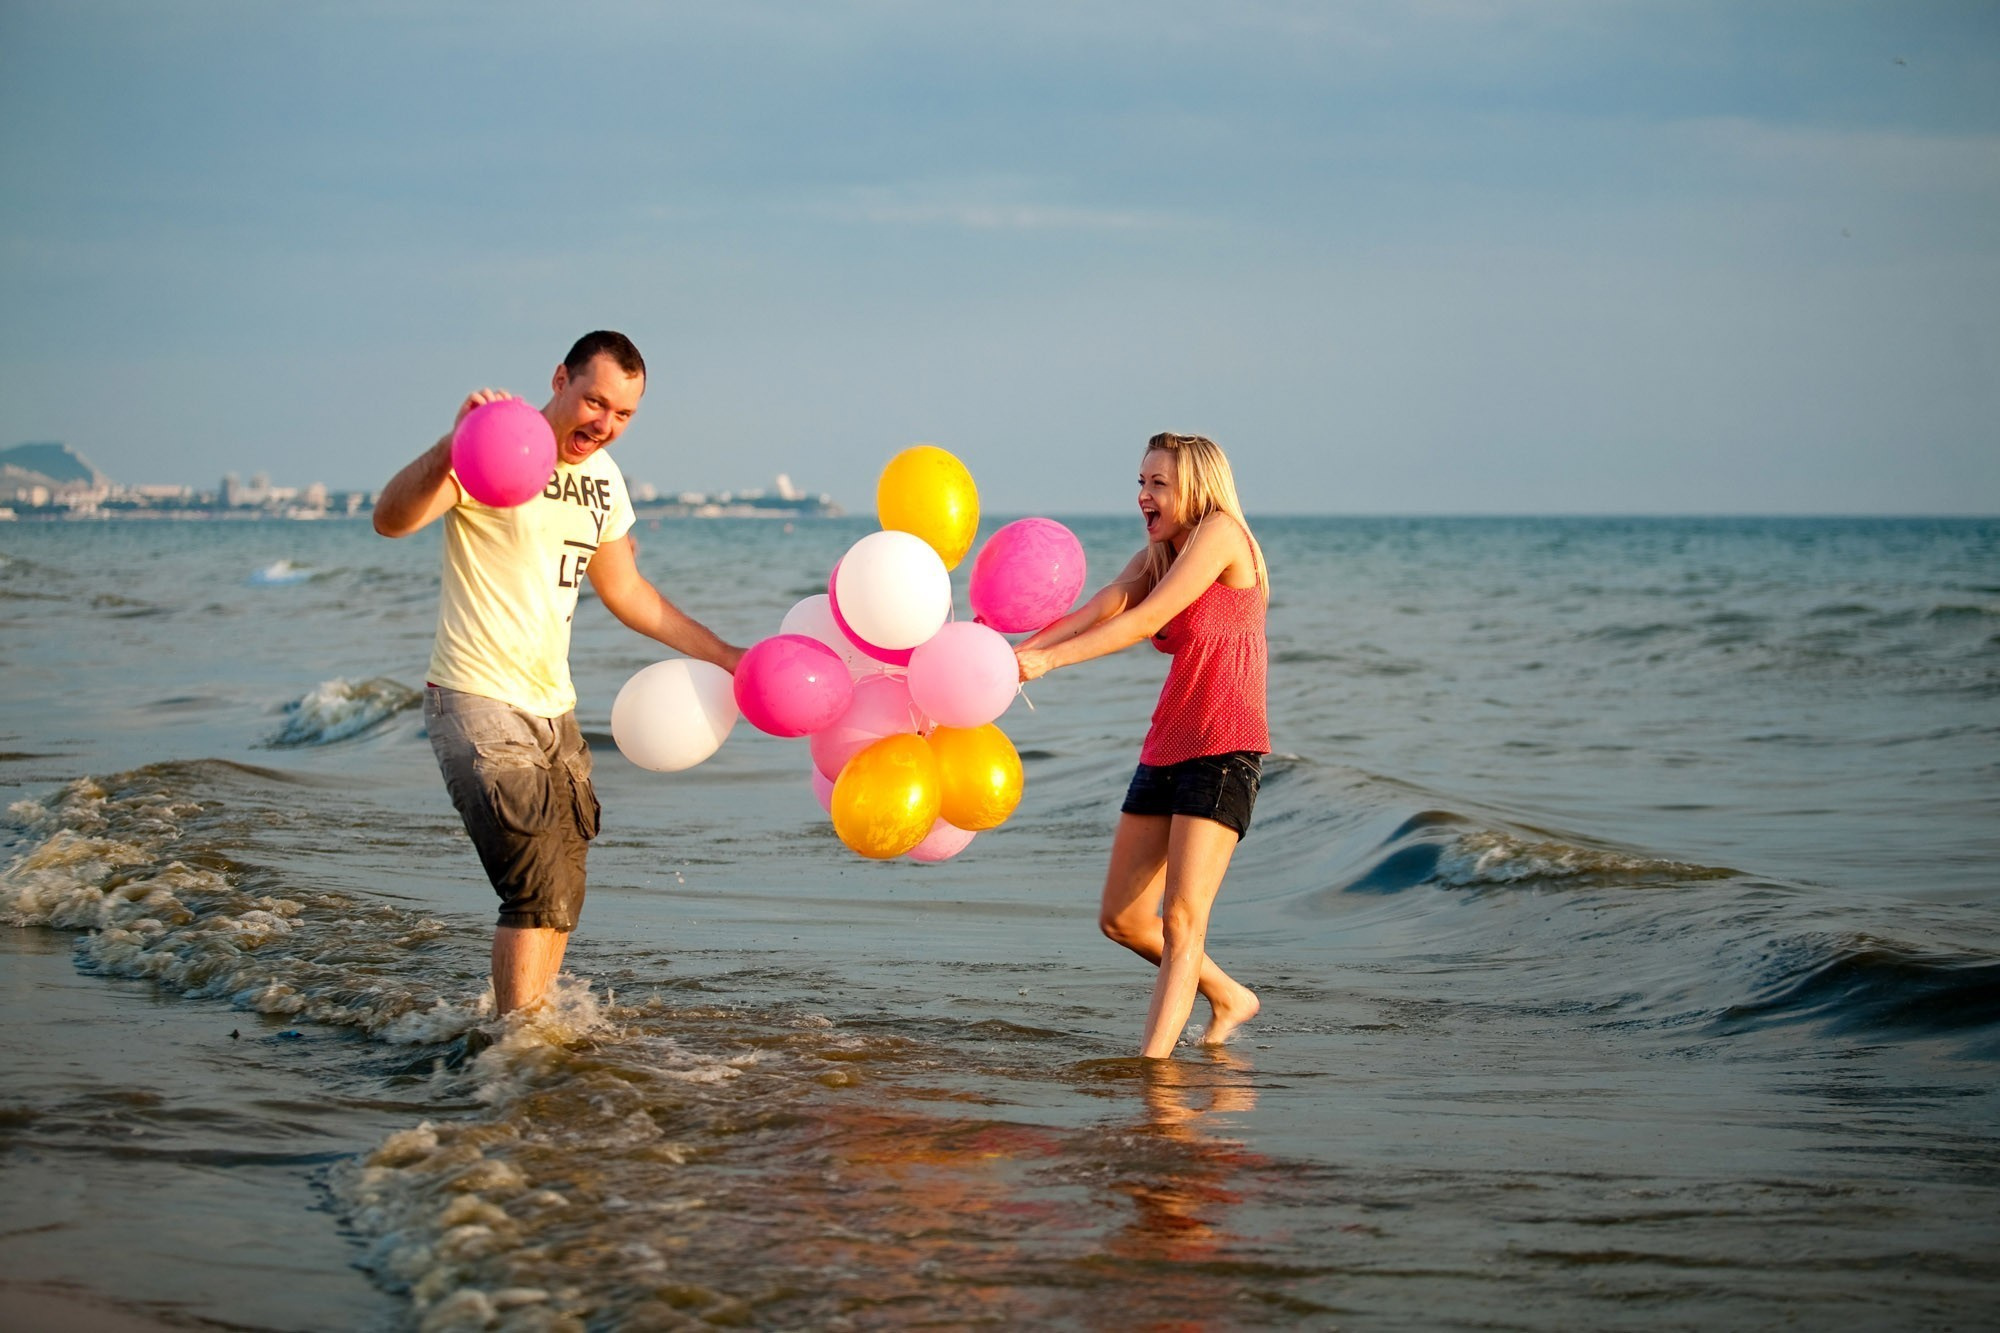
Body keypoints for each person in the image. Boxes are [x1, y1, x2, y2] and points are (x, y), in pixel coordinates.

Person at [373, 331, 743, 1015]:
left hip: (555, 712)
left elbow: (629, 594)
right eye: (594, 400)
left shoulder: (603, 478)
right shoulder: (495, 445)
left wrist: (726, 656)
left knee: (564, 890)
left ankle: (528, 1027)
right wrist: (450, 446)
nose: (604, 423)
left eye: (623, 414)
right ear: (559, 380)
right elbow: (390, 520)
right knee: (533, 886)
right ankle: (515, 1051)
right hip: (477, 700)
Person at [1016, 433, 1269, 1058]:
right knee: (1122, 920)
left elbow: (1142, 621)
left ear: (1197, 487)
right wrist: (1020, 651)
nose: (1143, 496)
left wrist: (1049, 666)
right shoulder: (1161, 552)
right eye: (1141, 482)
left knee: (1183, 919)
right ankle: (1231, 994)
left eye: (1158, 483)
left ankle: (1152, 1074)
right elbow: (1105, 605)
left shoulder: (1221, 536)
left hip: (1223, 747)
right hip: (1167, 744)